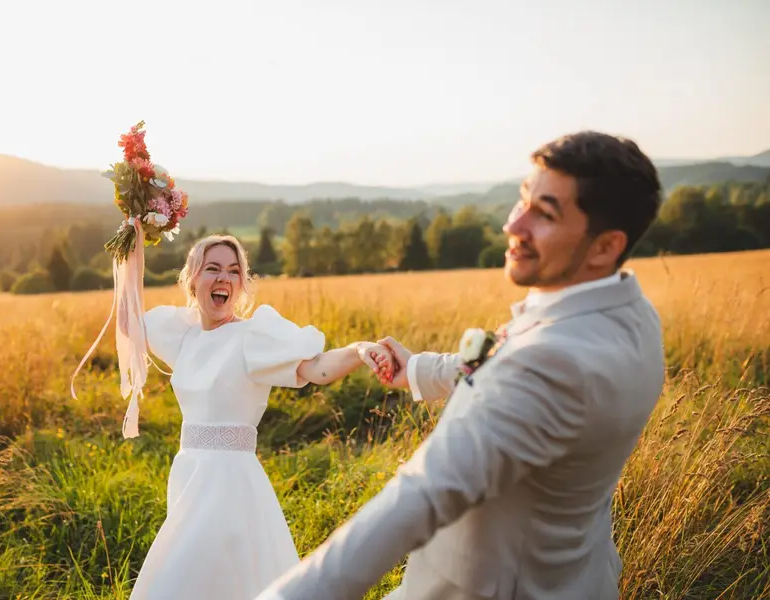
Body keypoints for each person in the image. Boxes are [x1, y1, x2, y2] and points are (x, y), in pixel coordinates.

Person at [254, 130, 666, 600]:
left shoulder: (551, 363)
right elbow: (511, 371)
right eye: (523, 199)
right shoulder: (630, 314)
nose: (514, 224)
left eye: (546, 213)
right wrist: (418, 369)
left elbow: (423, 494)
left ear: (604, 247)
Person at [127, 234, 394, 600]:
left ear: (241, 284)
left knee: (188, 574)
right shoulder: (184, 336)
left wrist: (359, 349)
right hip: (189, 473)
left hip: (230, 482)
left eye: (234, 271)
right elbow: (128, 319)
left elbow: (315, 369)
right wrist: (134, 236)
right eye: (213, 268)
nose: (224, 278)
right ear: (192, 278)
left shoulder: (251, 337)